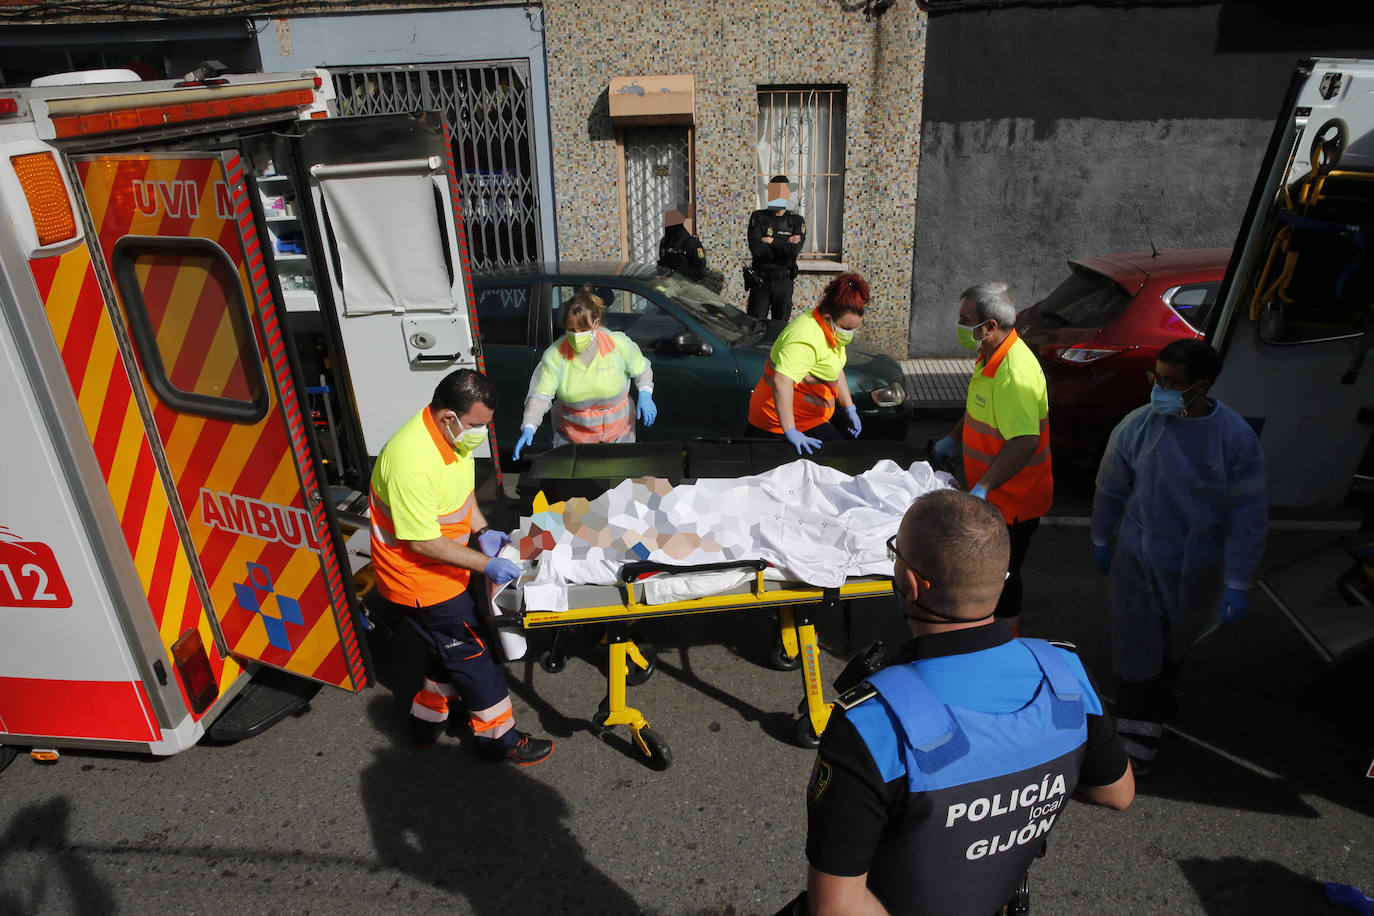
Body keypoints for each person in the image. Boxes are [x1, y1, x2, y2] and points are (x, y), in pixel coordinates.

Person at [799, 489, 1134, 916]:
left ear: (908, 584)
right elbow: (1118, 791)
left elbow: (837, 907)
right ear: (1000, 578)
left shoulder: (873, 724)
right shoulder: (1065, 673)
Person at [1090, 338, 1267, 773]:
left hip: (1198, 564)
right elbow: (1111, 487)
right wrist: (1101, 536)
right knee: (1136, 641)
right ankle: (1136, 740)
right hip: (1139, 552)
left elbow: (1248, 513)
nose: (1158, 390)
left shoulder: (1233, 438)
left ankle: (1158, 695)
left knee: (1175, 640)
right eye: (1156, 378)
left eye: (1171, 382)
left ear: (1201, 386)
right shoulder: (1138, 427)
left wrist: (1239, 581)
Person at [369, 369, 554, 765]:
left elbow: (461, 493)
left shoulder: (453, 440)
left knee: (447, 652)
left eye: (486, 424)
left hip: (443, 573)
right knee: (475, 660)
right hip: (419, 582)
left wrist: (483, 528)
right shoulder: (411, 461)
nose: (482, 433)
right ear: (448, 416)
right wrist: (487, 564)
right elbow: (420, 541)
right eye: (476, 425)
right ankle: (499, 741)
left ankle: (425, 722)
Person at [932, 282, 1052, 633]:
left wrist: (983, 487)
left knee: (1003, 573)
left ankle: (1006, 637)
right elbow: (976, 408)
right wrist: (952, 438)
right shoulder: (989, 357)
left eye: (964, 318)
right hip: (994, 494)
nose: (959, 324)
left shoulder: (1014, 373)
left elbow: (1024, 442)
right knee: (989, 568)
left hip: (1014, 501)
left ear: (990, 326)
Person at [512, 286, 657, 460]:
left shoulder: (617, 345)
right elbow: (540, 395)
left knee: (617, 483)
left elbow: (642, 369)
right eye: (571, 330)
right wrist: (529, 424)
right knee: (579, 486)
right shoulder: (556, 356)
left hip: (618, 436)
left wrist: (645, 393)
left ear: (596, 323)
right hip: (573, 441)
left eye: (582, 330)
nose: (576, 336)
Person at [745, 272, 868, 454]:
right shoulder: (806, 337)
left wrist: (849, 408)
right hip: (777, 424)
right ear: (828, 317)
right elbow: (781, 381)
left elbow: (836, 369)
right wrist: (791, 431)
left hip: (809, 419)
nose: (849, 334)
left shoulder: (831, 333)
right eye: (847, 328)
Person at [746, 174, 807, 321]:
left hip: (783, 282)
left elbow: (793, 251)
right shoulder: (758, 217)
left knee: (779, 329)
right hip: (761, 281)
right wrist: (785, 242)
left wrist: (771, 241)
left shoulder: (796, 221)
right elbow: (757, 249)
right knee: (754, 326)